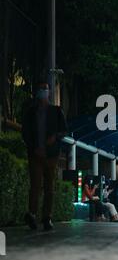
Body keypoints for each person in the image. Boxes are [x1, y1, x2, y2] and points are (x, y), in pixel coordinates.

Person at [22, 81, 67, 231]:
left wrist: (55, 137)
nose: (43, 91)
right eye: (41, 89)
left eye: (45, 89)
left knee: (49, 187)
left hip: (51, 155)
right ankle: (32, 214)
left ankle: (47, 217)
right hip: (35, 154)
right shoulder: (31, 112)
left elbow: (64, 131)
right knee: (35, 185)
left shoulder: (56, 111)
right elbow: (26, 132)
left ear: (48, 92)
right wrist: (34, 148)